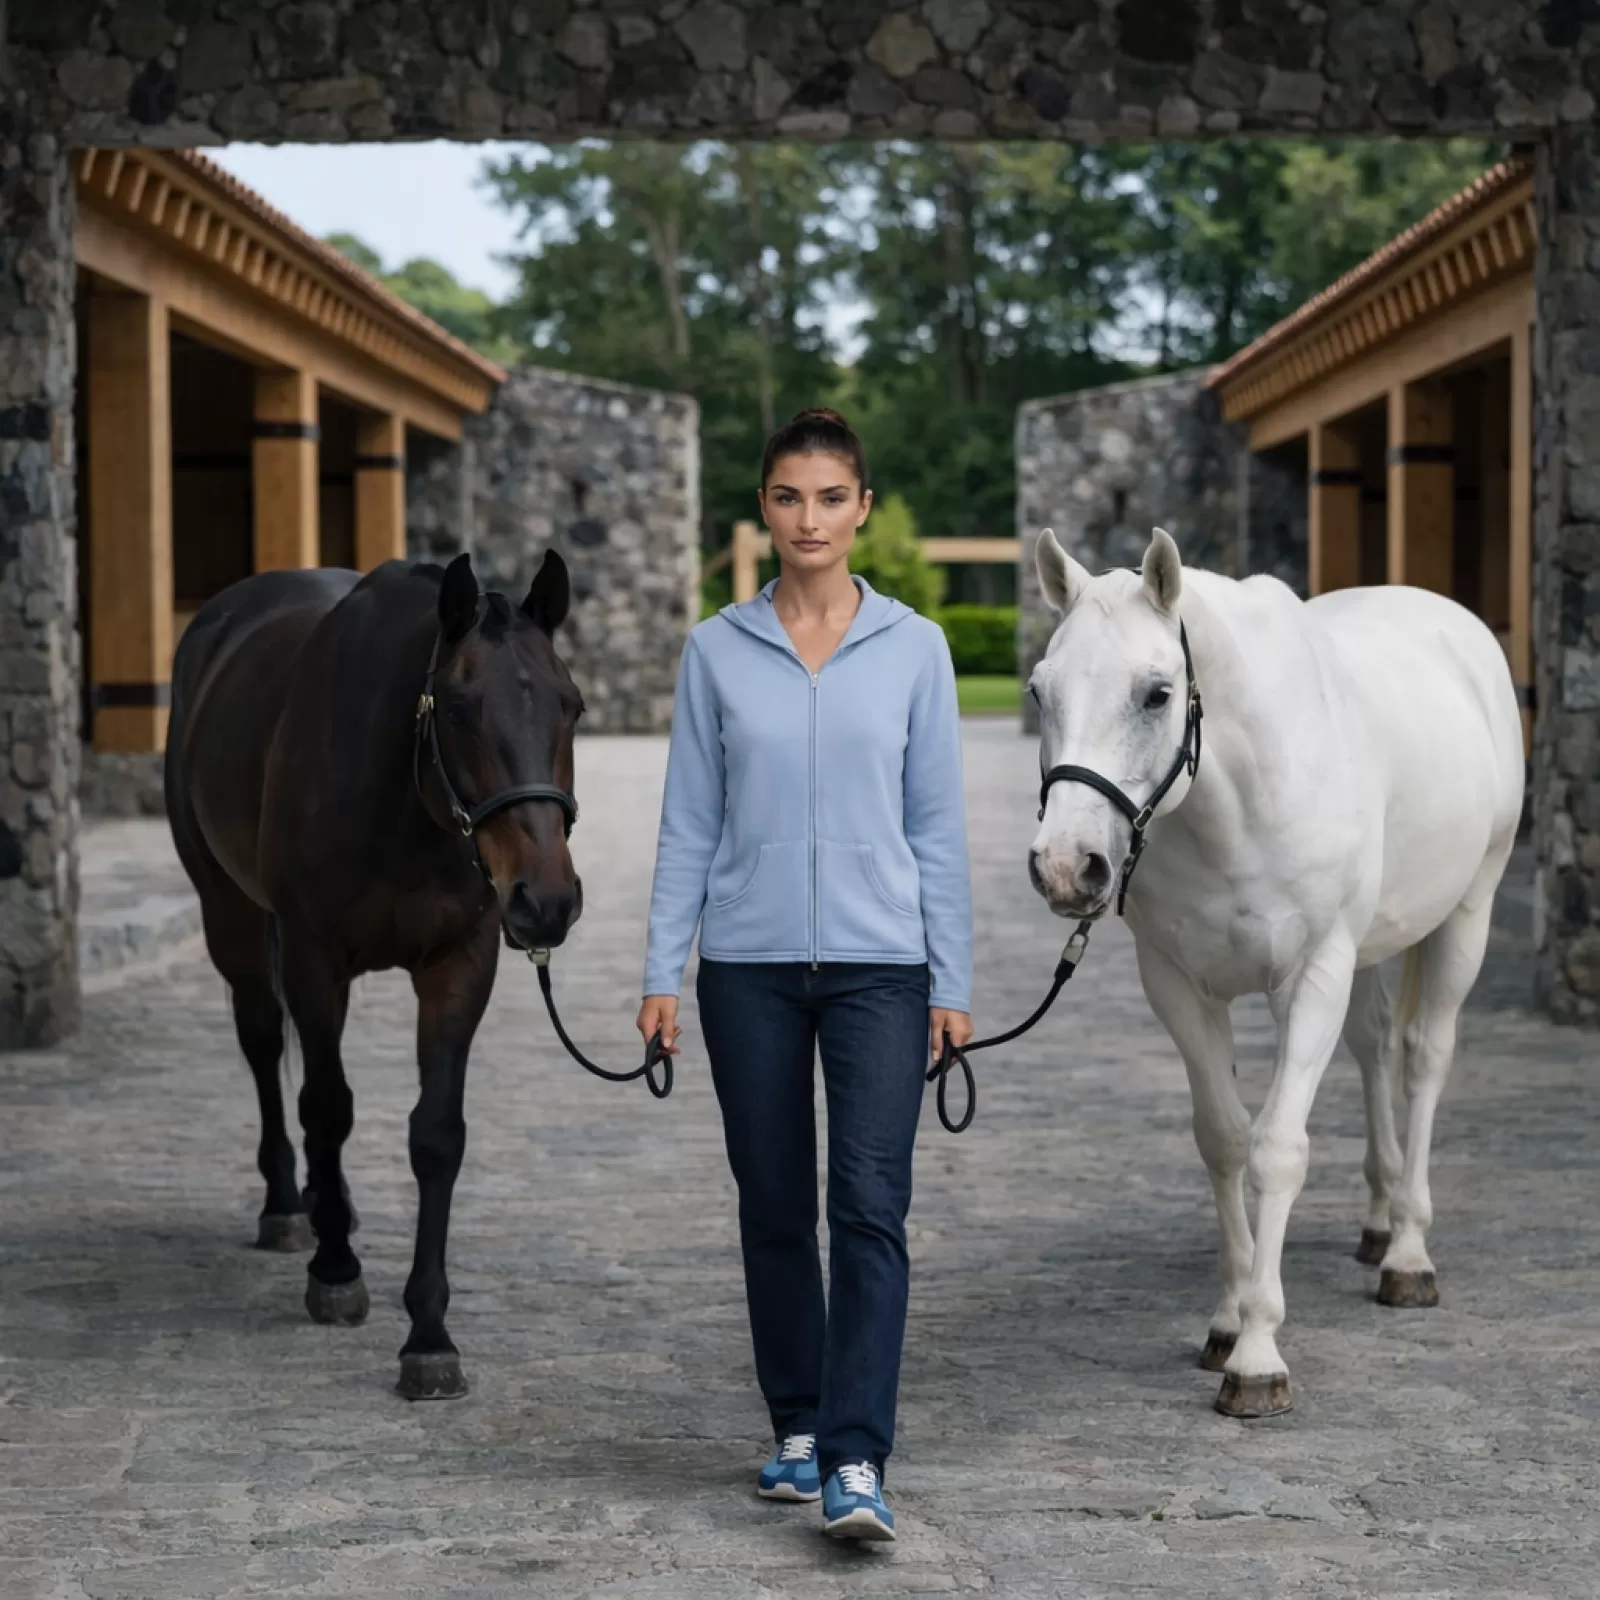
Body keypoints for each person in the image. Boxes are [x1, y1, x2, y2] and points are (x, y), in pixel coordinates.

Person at [637, 407, 974, 1542]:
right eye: (788, 497)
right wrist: (661, 974)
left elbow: (937, 828)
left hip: (883, 969)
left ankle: (856, 1456)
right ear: (765, 509)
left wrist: (951, 980)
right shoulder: (715, 649)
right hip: (748, 967)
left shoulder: (916, 648)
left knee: (869, 1207)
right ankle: (795, 1424)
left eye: (831, 497)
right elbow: (688, 823)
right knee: (775, 1204)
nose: (809, 518)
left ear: (862, 508)